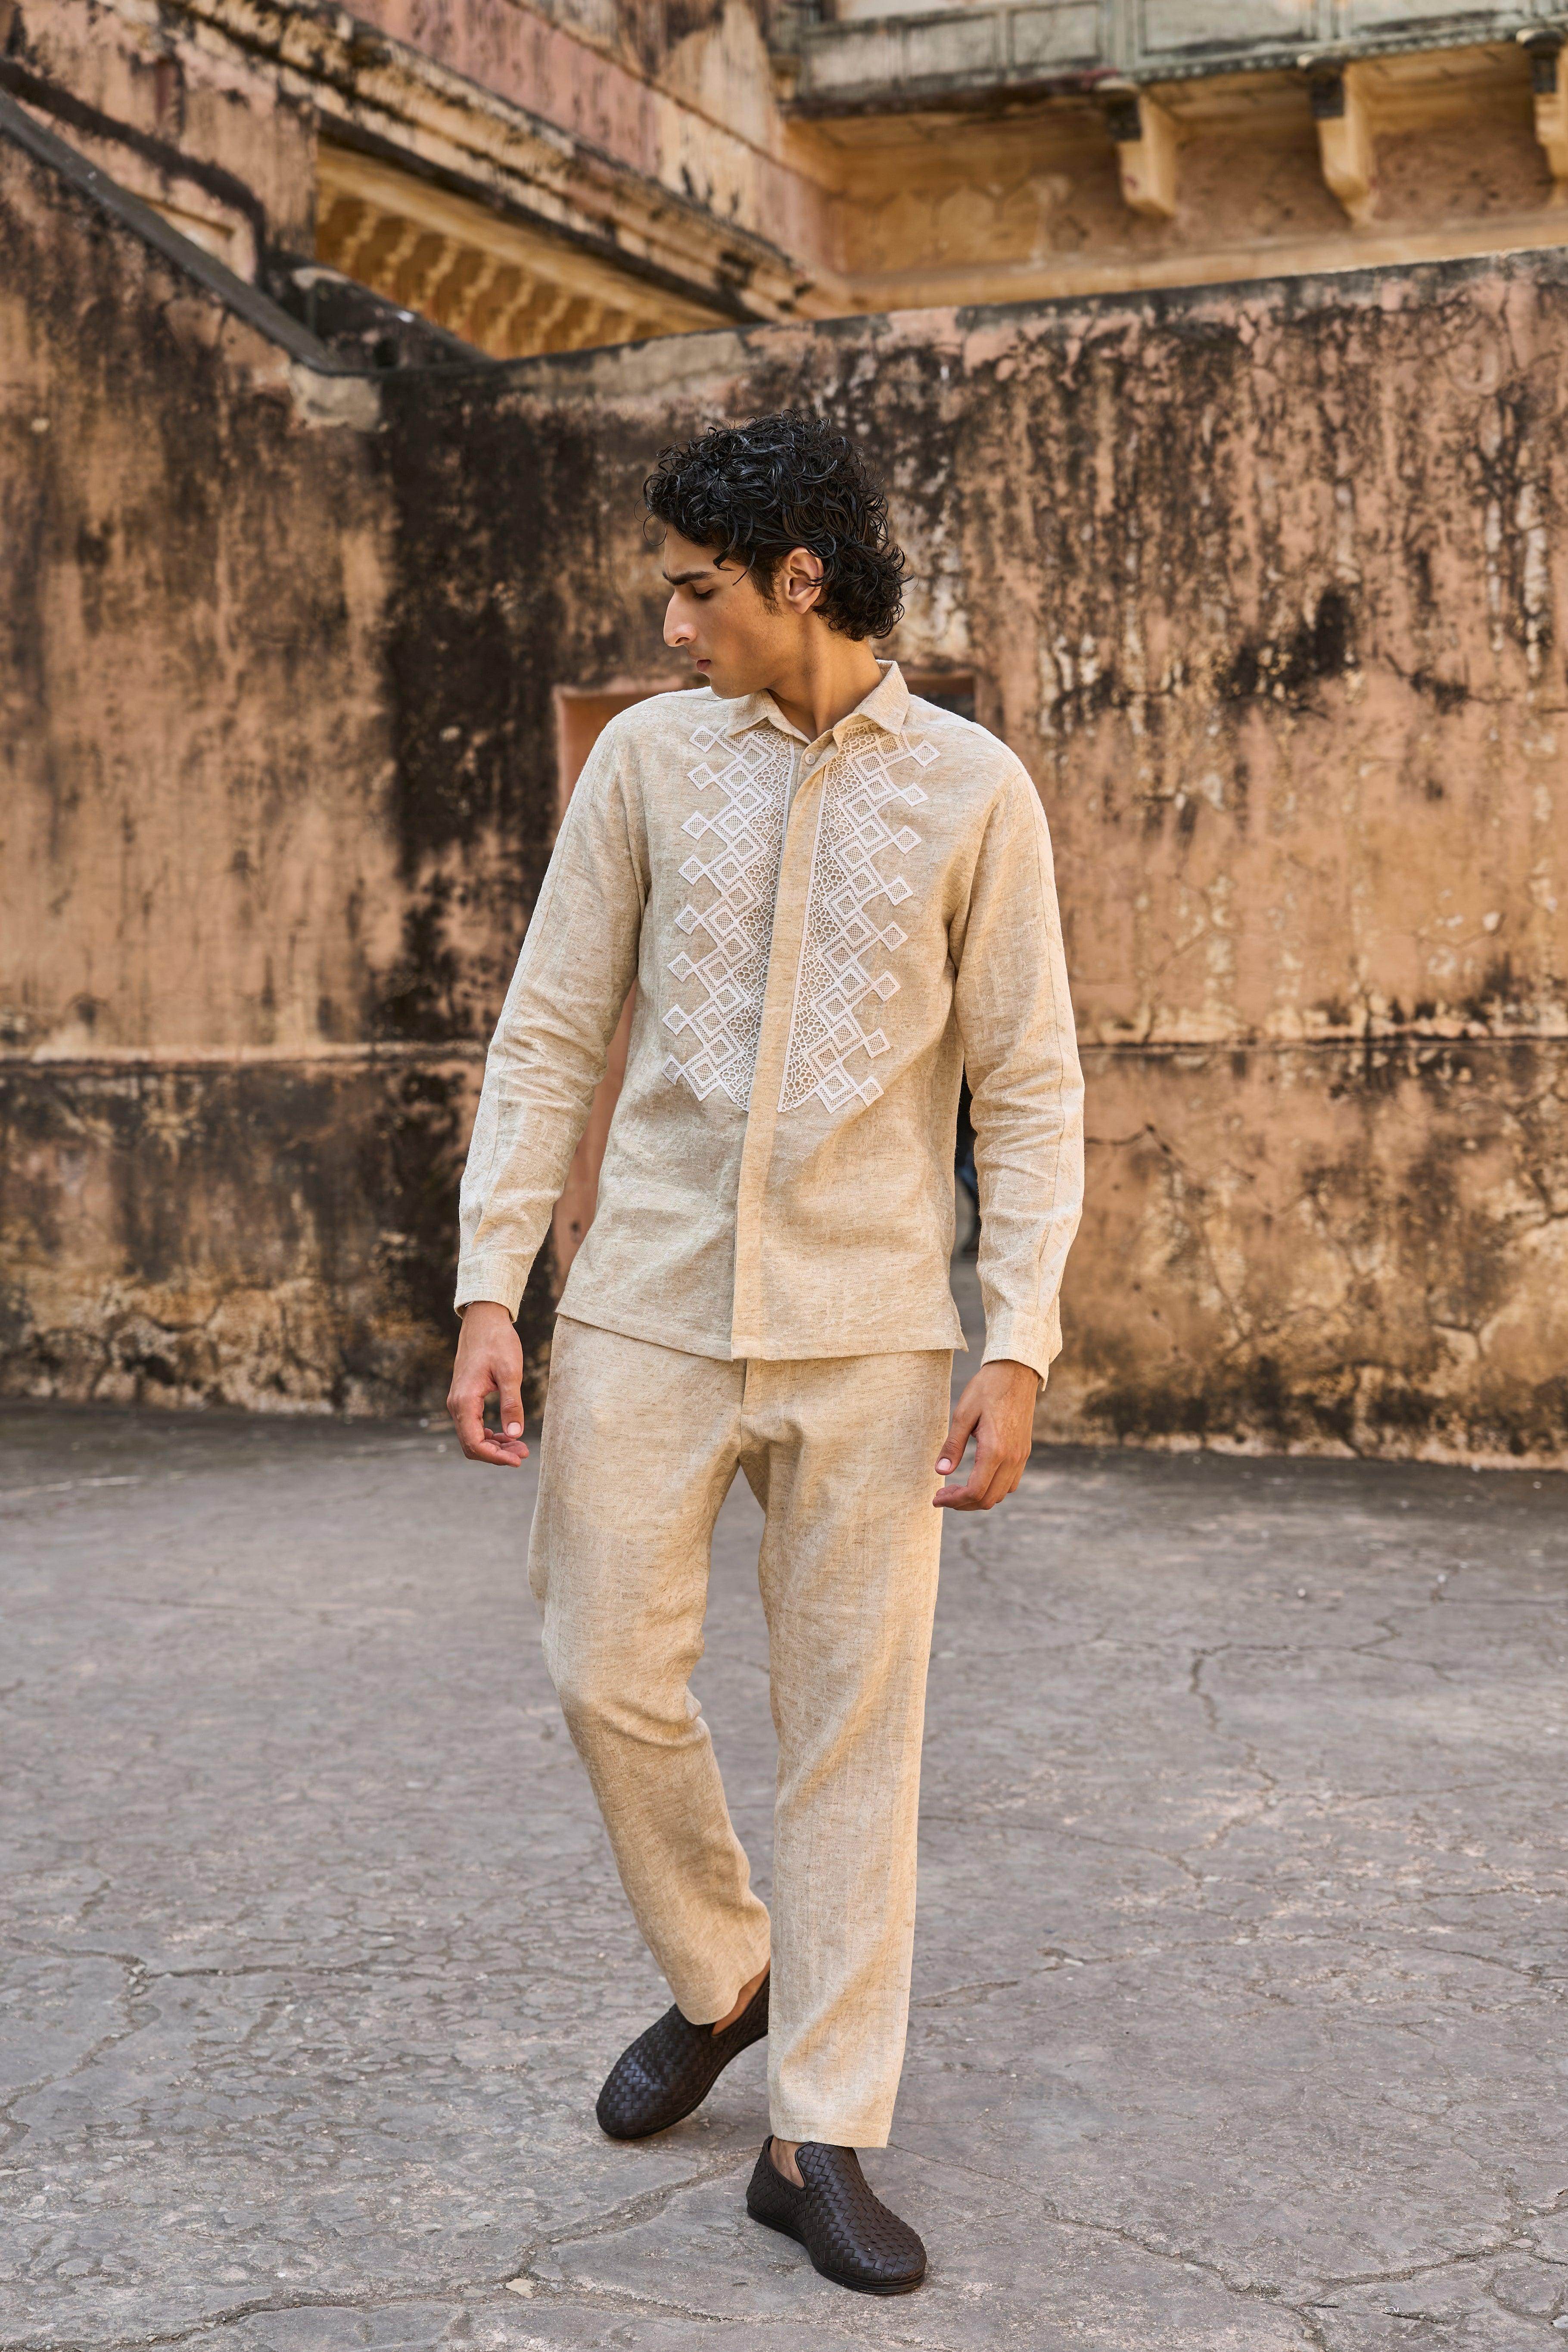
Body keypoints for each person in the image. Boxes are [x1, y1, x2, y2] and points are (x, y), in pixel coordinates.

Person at [446, 411, 1083, 2297]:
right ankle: (726, 1970)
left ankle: (819, 2131)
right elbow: (550, 1030)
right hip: (643, 1299)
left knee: (853, 1731)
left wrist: (1018, 1340)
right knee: (602, 1664)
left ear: (802, 579)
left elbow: (1028, 1089)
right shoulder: (648, 763)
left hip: (871, 1333)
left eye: (698, 588)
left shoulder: (974, 792)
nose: (671, 621)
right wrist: (493, 1282)